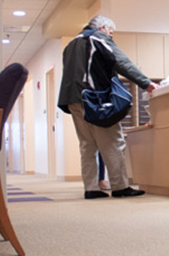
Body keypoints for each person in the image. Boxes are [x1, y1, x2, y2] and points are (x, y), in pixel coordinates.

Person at [58, 15, 158, 199]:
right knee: (113, 141)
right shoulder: (97, 38)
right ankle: (120, 186)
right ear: (103, 28)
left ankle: (91, 188)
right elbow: (121, 61)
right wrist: (146, 83)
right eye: (110, 33)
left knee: (87, 144)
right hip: (94, 98)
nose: (111, 37)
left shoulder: (71, 45)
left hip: (73, 99)